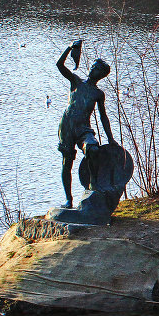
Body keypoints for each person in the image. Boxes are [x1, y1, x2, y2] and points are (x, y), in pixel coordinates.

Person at [55, 40, 115, 208]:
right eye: (93, 66)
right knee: (67, 162)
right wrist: (69, 48)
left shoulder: (98, 94)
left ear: (102, 75)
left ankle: (93, 185)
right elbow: (59, 65)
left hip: (83, 129)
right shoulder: (76, 82)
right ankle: (69, 199)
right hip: (67, 126)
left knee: (93, 149)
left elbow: (103, 117)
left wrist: (110, 138)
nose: (93, 70)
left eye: (98, 69)